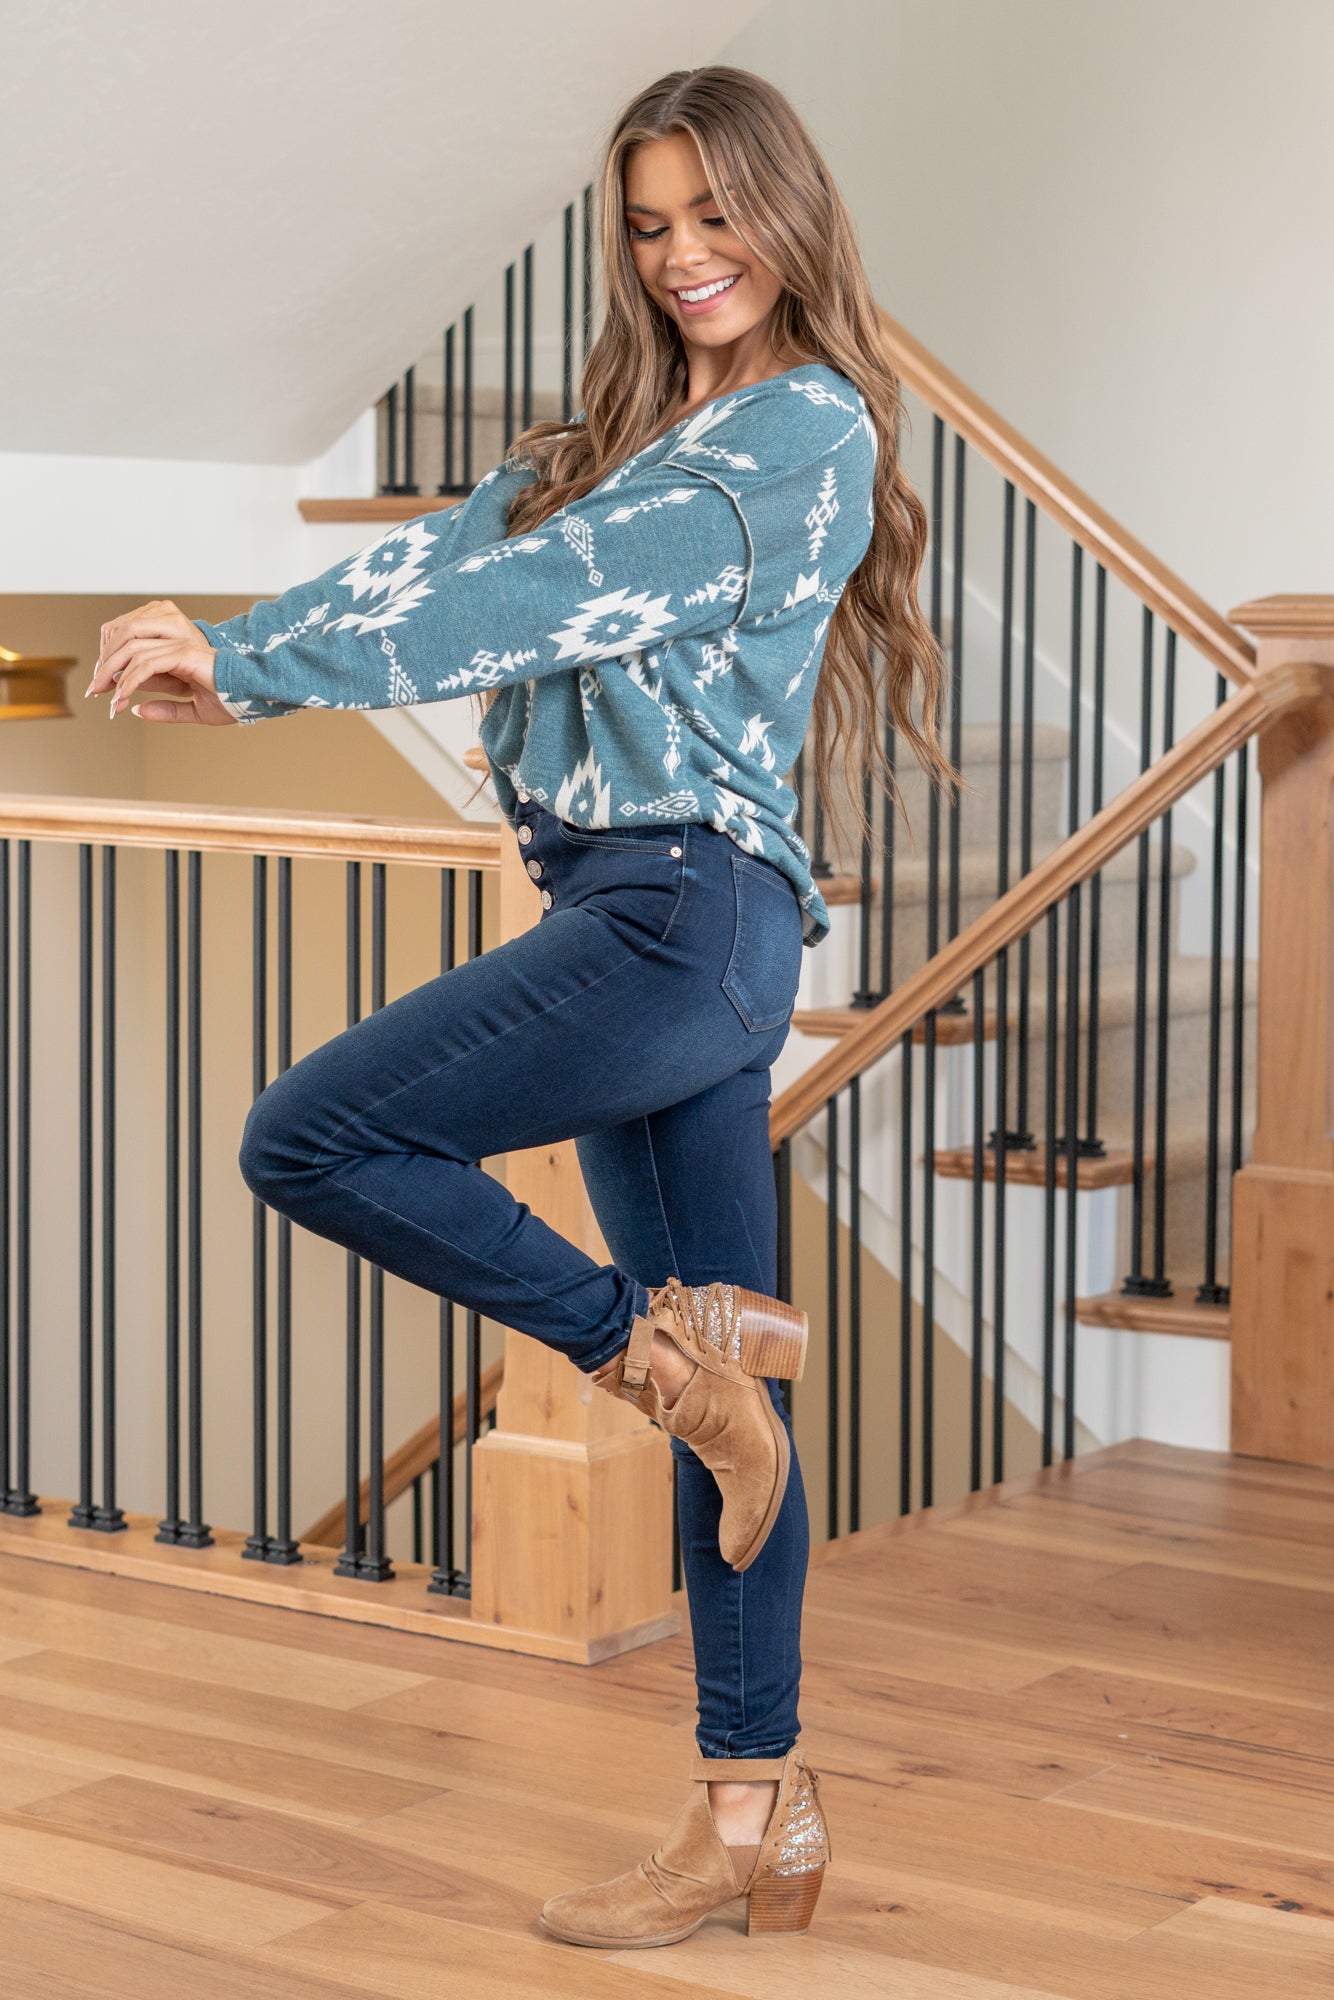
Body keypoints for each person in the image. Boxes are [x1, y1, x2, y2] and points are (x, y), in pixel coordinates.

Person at [86, 65, 946, 1951]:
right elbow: (443, 566)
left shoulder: (802, 431)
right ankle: (751, 1818)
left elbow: (551, 598)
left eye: (714, 214)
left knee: (311, 1134)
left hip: (682, 915)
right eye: (648, 226)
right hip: (645, 914)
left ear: (786, 218)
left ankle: (656, 1371)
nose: (683, 255)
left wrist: (257, 663)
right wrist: (244, 653)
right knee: (741, 1398)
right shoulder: (604, 440)